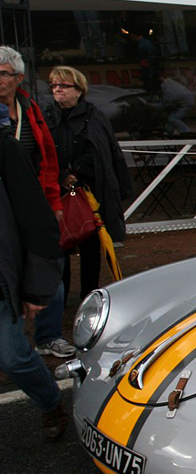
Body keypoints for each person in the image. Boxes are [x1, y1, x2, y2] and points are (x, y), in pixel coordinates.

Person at [0, 102, 69, 440]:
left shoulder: (4, 147)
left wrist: (38, 286)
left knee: (12, 357)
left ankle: (50, 400)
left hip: (1, 277)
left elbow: (36, 220)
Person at [0, 46, 74, 360]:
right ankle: (13, 345)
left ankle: (48, 336)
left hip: (35, 204)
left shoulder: (30, 109)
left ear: (18, 78)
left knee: (50, 274)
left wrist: (55, 203)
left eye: (3, 73)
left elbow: (49, 160)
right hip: (5, 207)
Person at [43, 66, 133, 303]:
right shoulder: (46, 116)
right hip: (56, 191)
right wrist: (62, 174)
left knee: (91, 243)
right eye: (54, 85)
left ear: (78, 90)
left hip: (89, 189)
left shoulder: (94, 116)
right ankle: (59, 297)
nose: (57, 90)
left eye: (63, 85)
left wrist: (77, 173)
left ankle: (88, 294)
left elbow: (104, 152)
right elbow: (39, 153)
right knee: (59, 244)